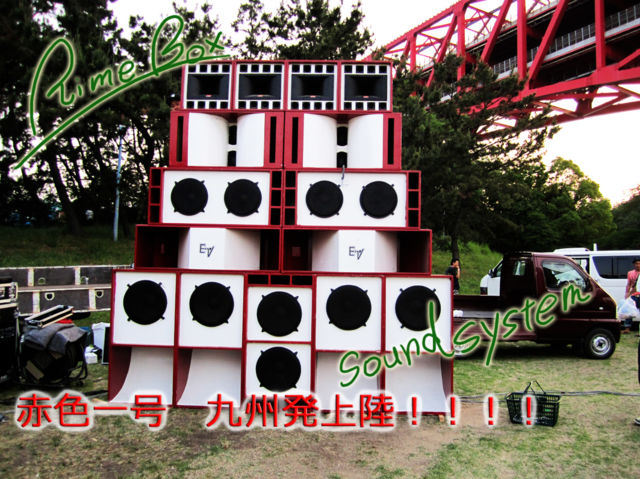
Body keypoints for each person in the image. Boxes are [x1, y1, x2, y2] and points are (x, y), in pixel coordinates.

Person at [623, 258, 640, 333]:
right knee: (629, 310)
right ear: (634, 264)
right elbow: (629, 284)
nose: (638, 265)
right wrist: (627, 293)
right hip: (634, 294)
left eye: (639, 263)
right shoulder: (630, 273)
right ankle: (627, 328)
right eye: (636, 263)